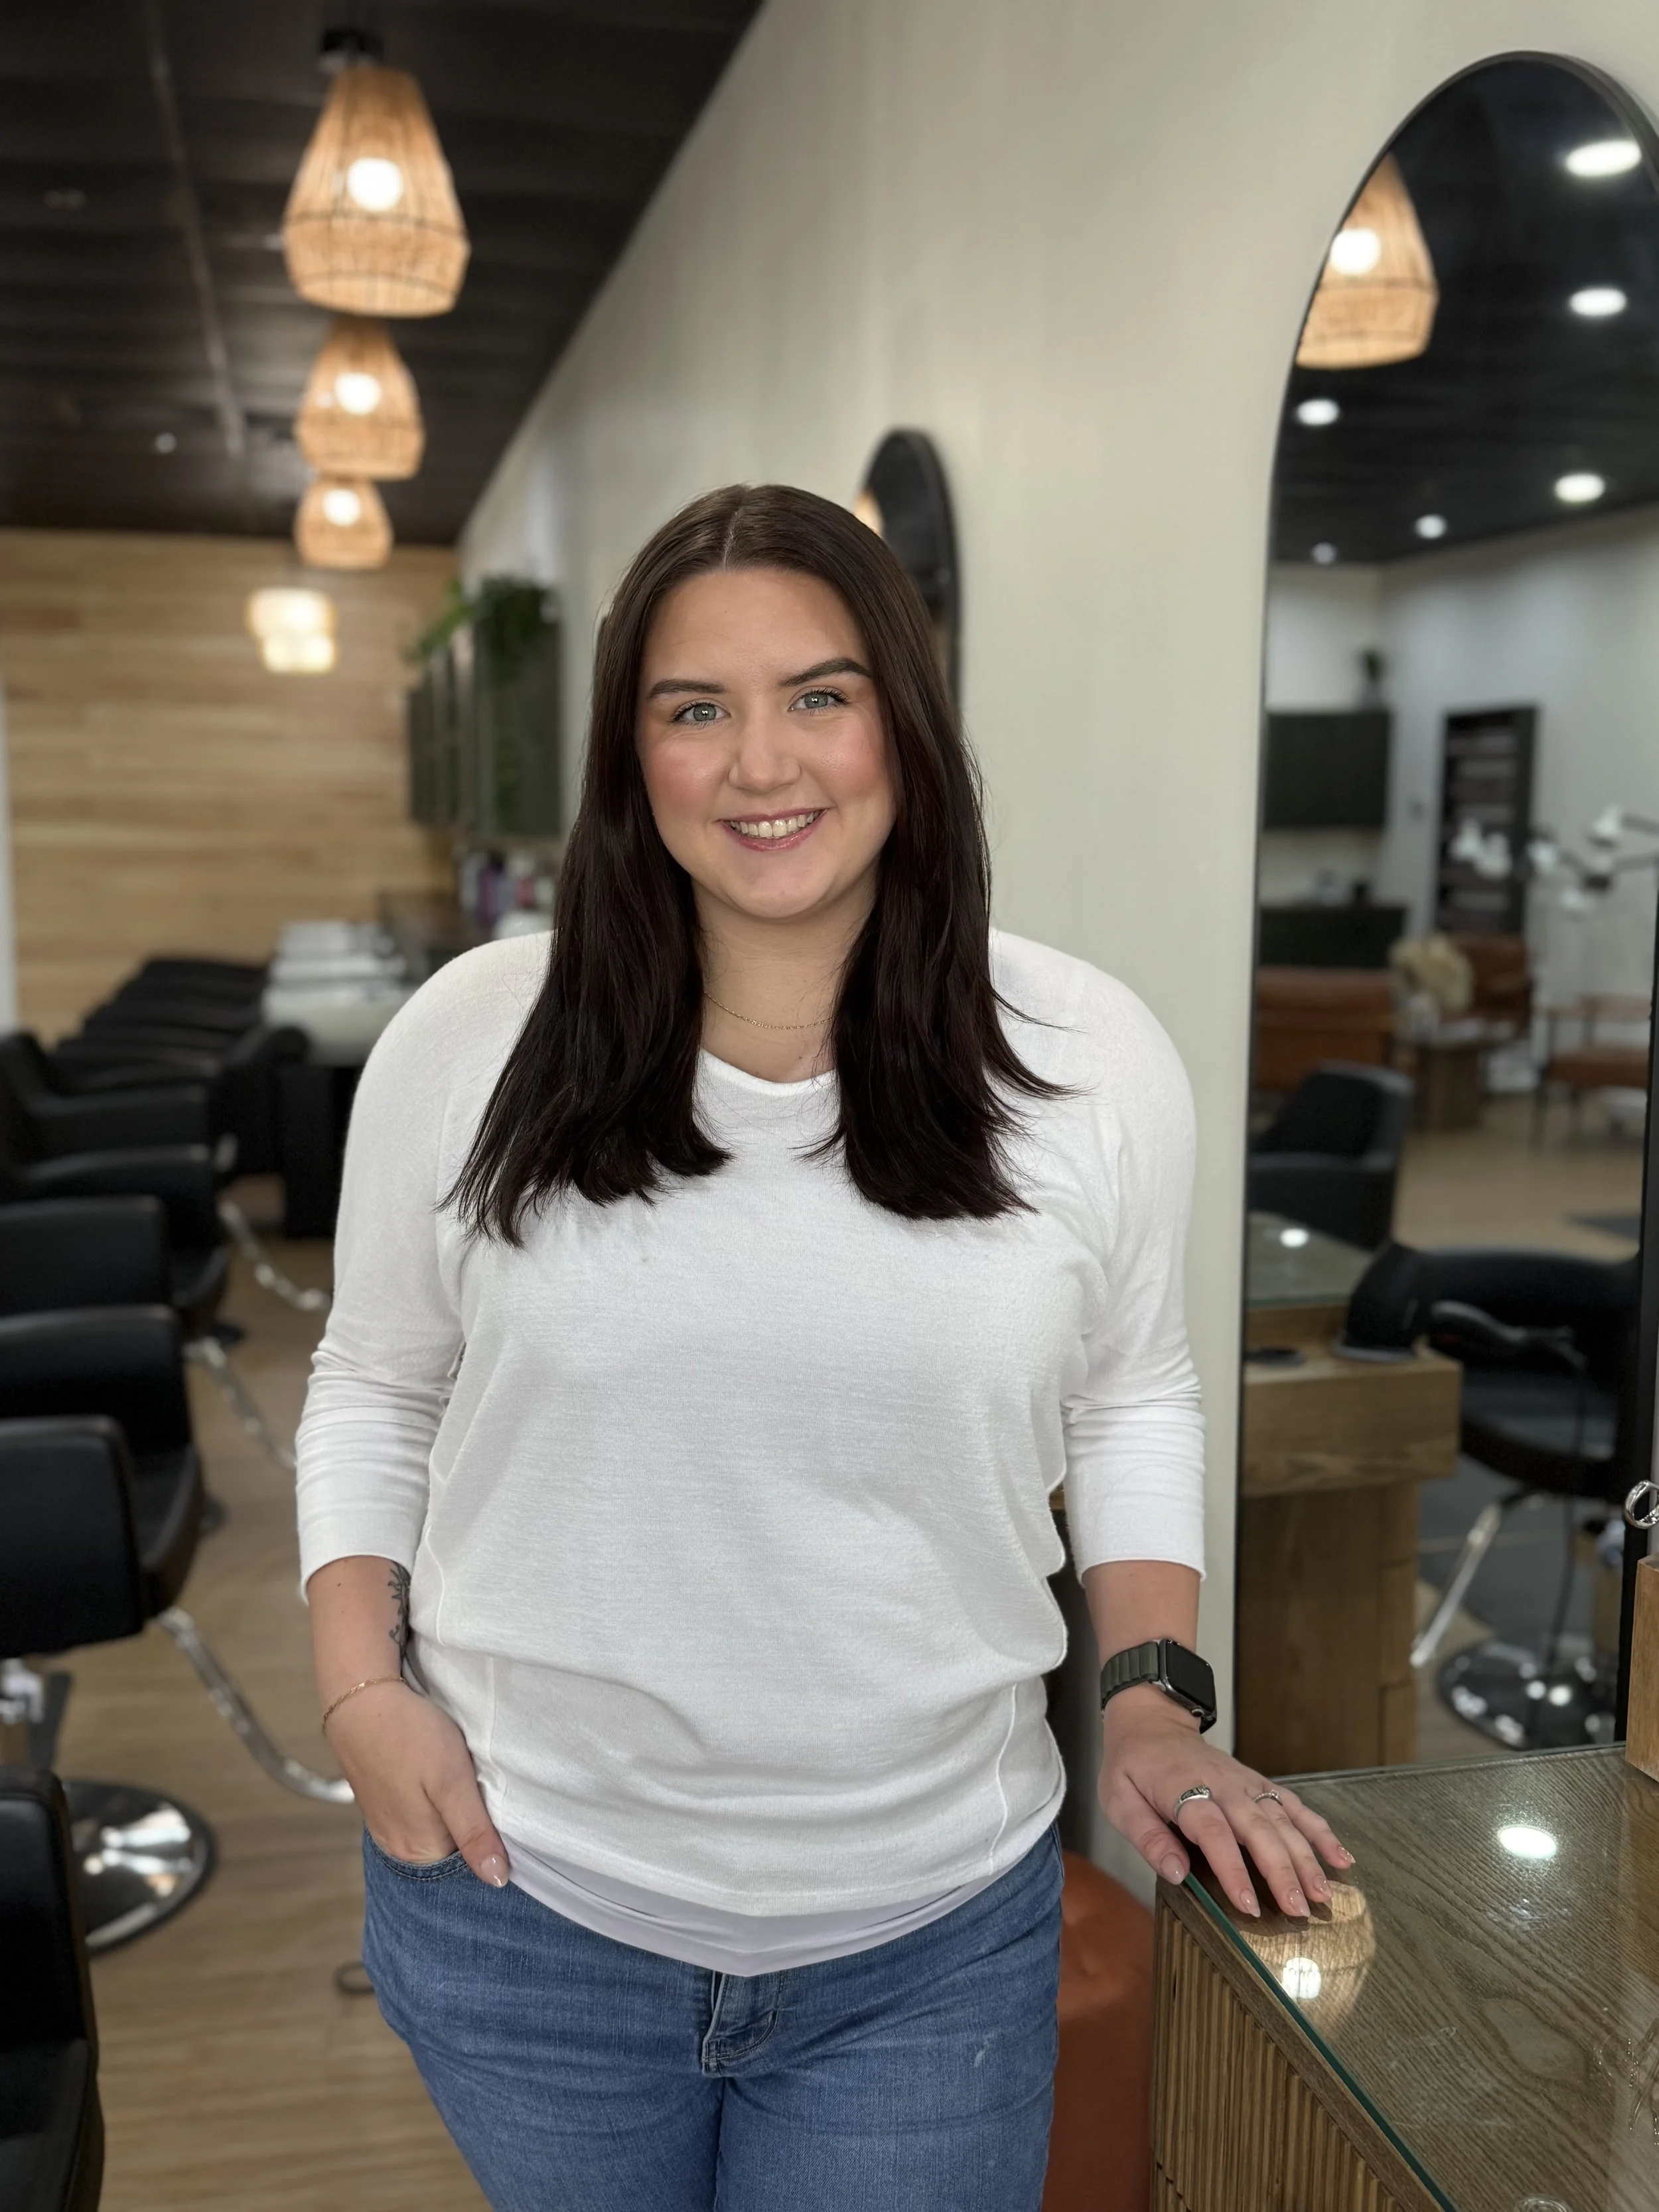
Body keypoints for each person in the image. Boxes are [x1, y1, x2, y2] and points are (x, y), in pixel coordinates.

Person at [296, 482, 1348, 2212]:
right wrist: (359, 1690)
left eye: (820, 694)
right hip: (527, 1901)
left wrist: (1152, 1702)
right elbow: (377, 1379)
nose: (762, 762)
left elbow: (1131, 1386)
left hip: (927, 1935)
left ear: (905, 726)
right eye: (693, 708)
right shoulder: (474, 1039)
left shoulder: (1083, 1057)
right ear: (631, 758)